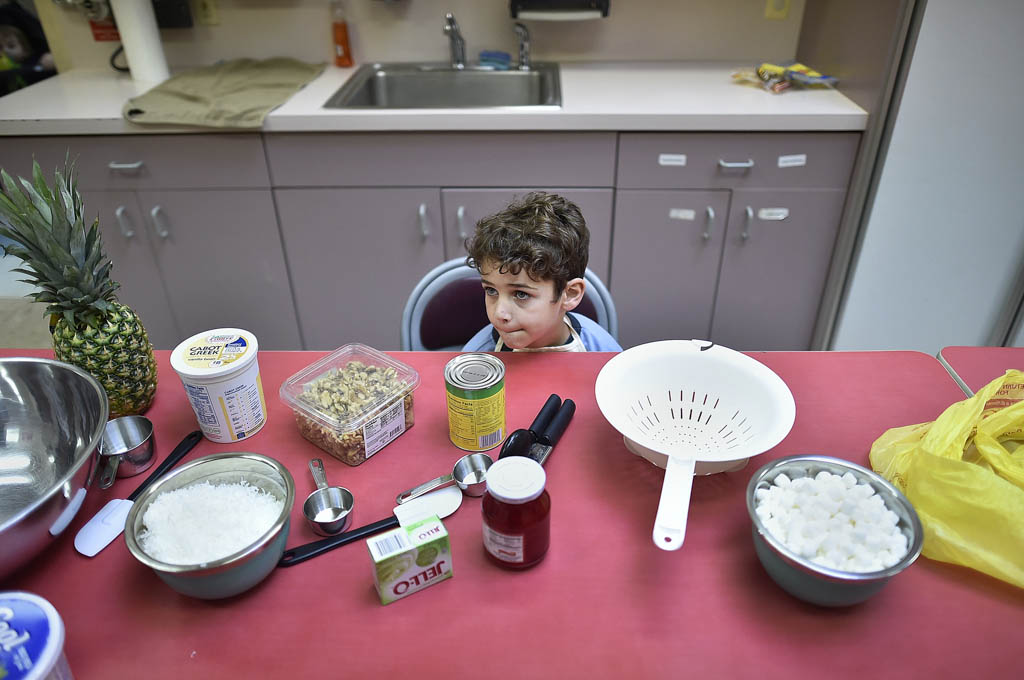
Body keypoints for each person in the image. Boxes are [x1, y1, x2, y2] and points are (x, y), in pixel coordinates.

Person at [462, 192, 622, 353]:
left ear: (570, 294)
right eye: (491, 290)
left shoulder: (603, 352)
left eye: (521, 294)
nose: (499, 313)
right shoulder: (477, 356)